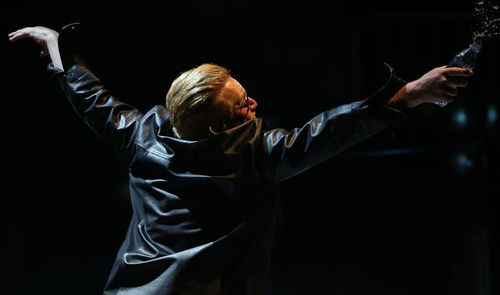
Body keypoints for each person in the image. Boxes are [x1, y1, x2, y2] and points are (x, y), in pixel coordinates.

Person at [9, 23, 473, 295]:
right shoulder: (258, 156)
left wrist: (54, 46)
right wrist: (409, 94)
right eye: (242, 104)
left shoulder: (141, 136)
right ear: (217, 127)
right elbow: (332, 131)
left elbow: (90, 98)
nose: (254, 104)